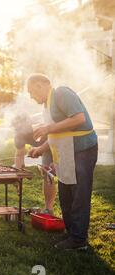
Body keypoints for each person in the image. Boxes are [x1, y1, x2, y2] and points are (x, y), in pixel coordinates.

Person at [26, 73, 98, 250]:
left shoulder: (61, 93)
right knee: (66, 192)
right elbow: (56, 134)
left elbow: (79, 119)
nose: (30, 96)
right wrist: (40, 149)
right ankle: (72, 232)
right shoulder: (47, 105)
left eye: (31, 92)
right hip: (66, 152)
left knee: (79, 195)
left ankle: (79, 240)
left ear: (40, 86)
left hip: (82, 150)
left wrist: (47, 128)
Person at [12, 112, 57, 215]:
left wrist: (41, 151)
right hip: (45, 148)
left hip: (58, 143)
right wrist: (17, 177)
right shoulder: (18, 135)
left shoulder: (43, 126)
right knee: (47, 174)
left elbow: (55, 139)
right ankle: (48, 209)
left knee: (62, 174)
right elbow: (19, 155)